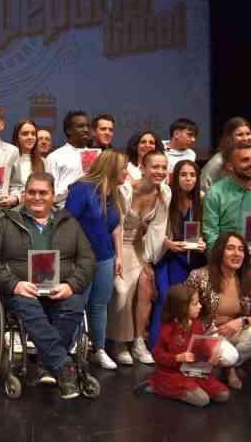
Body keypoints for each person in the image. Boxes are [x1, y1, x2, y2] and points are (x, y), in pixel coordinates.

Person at [0, 171, 97, 399]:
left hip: (60, 286)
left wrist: (71, 285)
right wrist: (14, 284)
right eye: (31, 192)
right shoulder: (6, 222)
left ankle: (48, 363)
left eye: (43, 193)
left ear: (53, 196)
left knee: (74, 304)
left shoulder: (69, 222)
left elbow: (87, 260)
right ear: (24, 194)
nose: (37, 197)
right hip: (22, 288)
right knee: (28, 306)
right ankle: (62, 366)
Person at [109, 150, 170, 365]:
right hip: (114, 245)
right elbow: (115, 225)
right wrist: (117, 256)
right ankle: (119, 341)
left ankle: (138, 340)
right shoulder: (125, 190)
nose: (160, 171)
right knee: (123, 289)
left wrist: (148, 261)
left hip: (138, 248)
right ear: (142, 168)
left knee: (146, 283)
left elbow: (157, 231)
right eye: (155, 167)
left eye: (164, 167)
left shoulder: (165, 193)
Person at [65, 150, 126, 370]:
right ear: (111, 168)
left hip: (105, 257)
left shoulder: (115, 194)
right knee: (77, 304)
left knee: (100, 305)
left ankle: (99, 349)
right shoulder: (81, 189)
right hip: (81, 259)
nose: (127, 173)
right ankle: (68, 348)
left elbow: (116, 227)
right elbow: (67, 223)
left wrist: (118, 255)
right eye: (124, 168)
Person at [140, 284, 232, 407]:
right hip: (173, 373)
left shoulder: (197, 325)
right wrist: (177, 358)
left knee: (223, 395)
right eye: (195, 304)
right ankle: (157, 385)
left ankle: (194, 386)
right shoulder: (168, 328)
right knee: (202, 400)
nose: (200, 306)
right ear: (182, 307)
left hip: (194, 372)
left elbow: (201, 349)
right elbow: (157, 354)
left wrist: (211, 358)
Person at [150, 160, 206, 348]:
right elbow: (149, 226)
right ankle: (156, 345)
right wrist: (167, 243)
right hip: (168, 256)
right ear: (175, 177)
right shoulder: (166, 197)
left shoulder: (201, 199)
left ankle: (180, 346)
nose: (188, 179)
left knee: (187, 303)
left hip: (191, 260)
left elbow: (204, 232)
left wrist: (202, 243)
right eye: (183, 174)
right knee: (165, 298)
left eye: (192, 175)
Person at [185, 232, 251, 389]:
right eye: (231, 248)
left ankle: (230, 367)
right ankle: (228, 367)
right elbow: (181, 308)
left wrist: (242, 321)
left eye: (241, 249)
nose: (237, 254)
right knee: (230, 356)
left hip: (236, 330)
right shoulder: (199, 276)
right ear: (220, 251)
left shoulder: (246, 278)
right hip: (207, 333)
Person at [203, 142, 251, 250]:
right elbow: (210, 235)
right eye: (245, 160)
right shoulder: (215, 193)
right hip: (226, 260)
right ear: (230, 166)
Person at [46, 111, 93, 207]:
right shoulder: (55, 157)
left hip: (91, 214)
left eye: (88, 126)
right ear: (68, 130)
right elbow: (49, 195)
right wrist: (73, 188)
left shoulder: (96, 156)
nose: (86, 129)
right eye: (81, 126)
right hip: (64, 213)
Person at [201, 117, 251, 194]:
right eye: (240, 135)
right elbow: (202, 189)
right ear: (229, 138)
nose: (245, 138)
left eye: (248, 134)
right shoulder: (218, 161)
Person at [10, 118, 46, 201]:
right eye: (25, 134)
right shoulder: (8, 159)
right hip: (13, 209)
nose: (30, 137)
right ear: (17, 137)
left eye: (33, 134)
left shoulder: (42, 161)